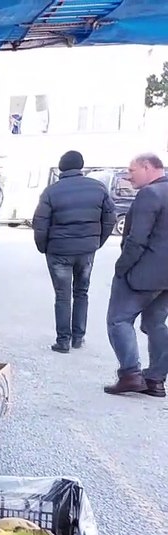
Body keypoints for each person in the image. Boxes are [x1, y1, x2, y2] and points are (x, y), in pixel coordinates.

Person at [31, 150, 117, 353]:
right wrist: (96, 242)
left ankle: (63, 341)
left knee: (62, 295)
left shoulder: (51, 191)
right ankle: (78, 337)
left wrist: (44, 248)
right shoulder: (98, 188)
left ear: (61, 168)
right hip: (86, 250)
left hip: (59, 251)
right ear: (81, 166)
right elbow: (110, 219)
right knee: (82, 292)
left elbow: (40, 224)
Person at [105, 152, 168, 397]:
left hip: (143, 273)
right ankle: (155, 380)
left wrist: (122, 267)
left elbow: (137, 239)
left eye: (132, 171)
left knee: (119, 320)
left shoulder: (150, 194)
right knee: (155, 323)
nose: (128, 176)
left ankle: (131, 374)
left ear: (147, 167)